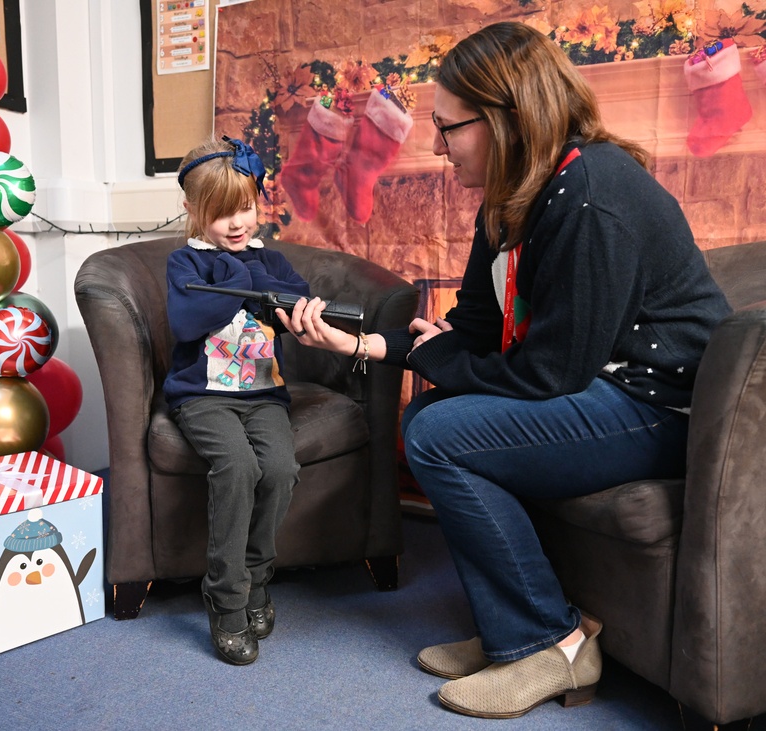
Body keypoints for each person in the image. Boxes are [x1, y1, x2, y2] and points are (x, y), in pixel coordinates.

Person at [277, 22, 732, 719]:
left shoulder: (591, 196)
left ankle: (553, 644)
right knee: (428, 419)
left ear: (507, 119)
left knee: (438, 433)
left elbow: (547, 374)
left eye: (448, 127)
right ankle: (511, 631)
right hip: (602, 387)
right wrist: (361, 343)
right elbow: (473, 332)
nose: (435, 145)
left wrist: (431, 355)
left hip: (659, 405)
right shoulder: (512, 200)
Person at [165, 136, 310, 665]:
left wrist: (279, 295)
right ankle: (226, 599)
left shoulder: (270, 259)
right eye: (221, 213)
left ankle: (254, 578)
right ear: (192, 210)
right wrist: (244, 276)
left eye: (245, 207)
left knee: (279, 468)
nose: (236, 223)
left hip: (263, 394)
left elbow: (298, 301)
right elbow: (187, 320)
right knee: (237, 467)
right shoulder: (187, 263)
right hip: (202, 398)